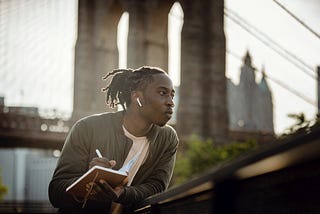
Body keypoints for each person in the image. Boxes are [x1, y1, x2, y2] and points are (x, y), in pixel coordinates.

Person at [48, 66, 179, 213]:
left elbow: (157, 187)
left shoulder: (168, 138)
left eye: (172, 95)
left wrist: (121, 194)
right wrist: (87, 180)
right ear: (138, 98)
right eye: (162, 93)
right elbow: (56, 193)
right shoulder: (87, 128)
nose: (170, 102)